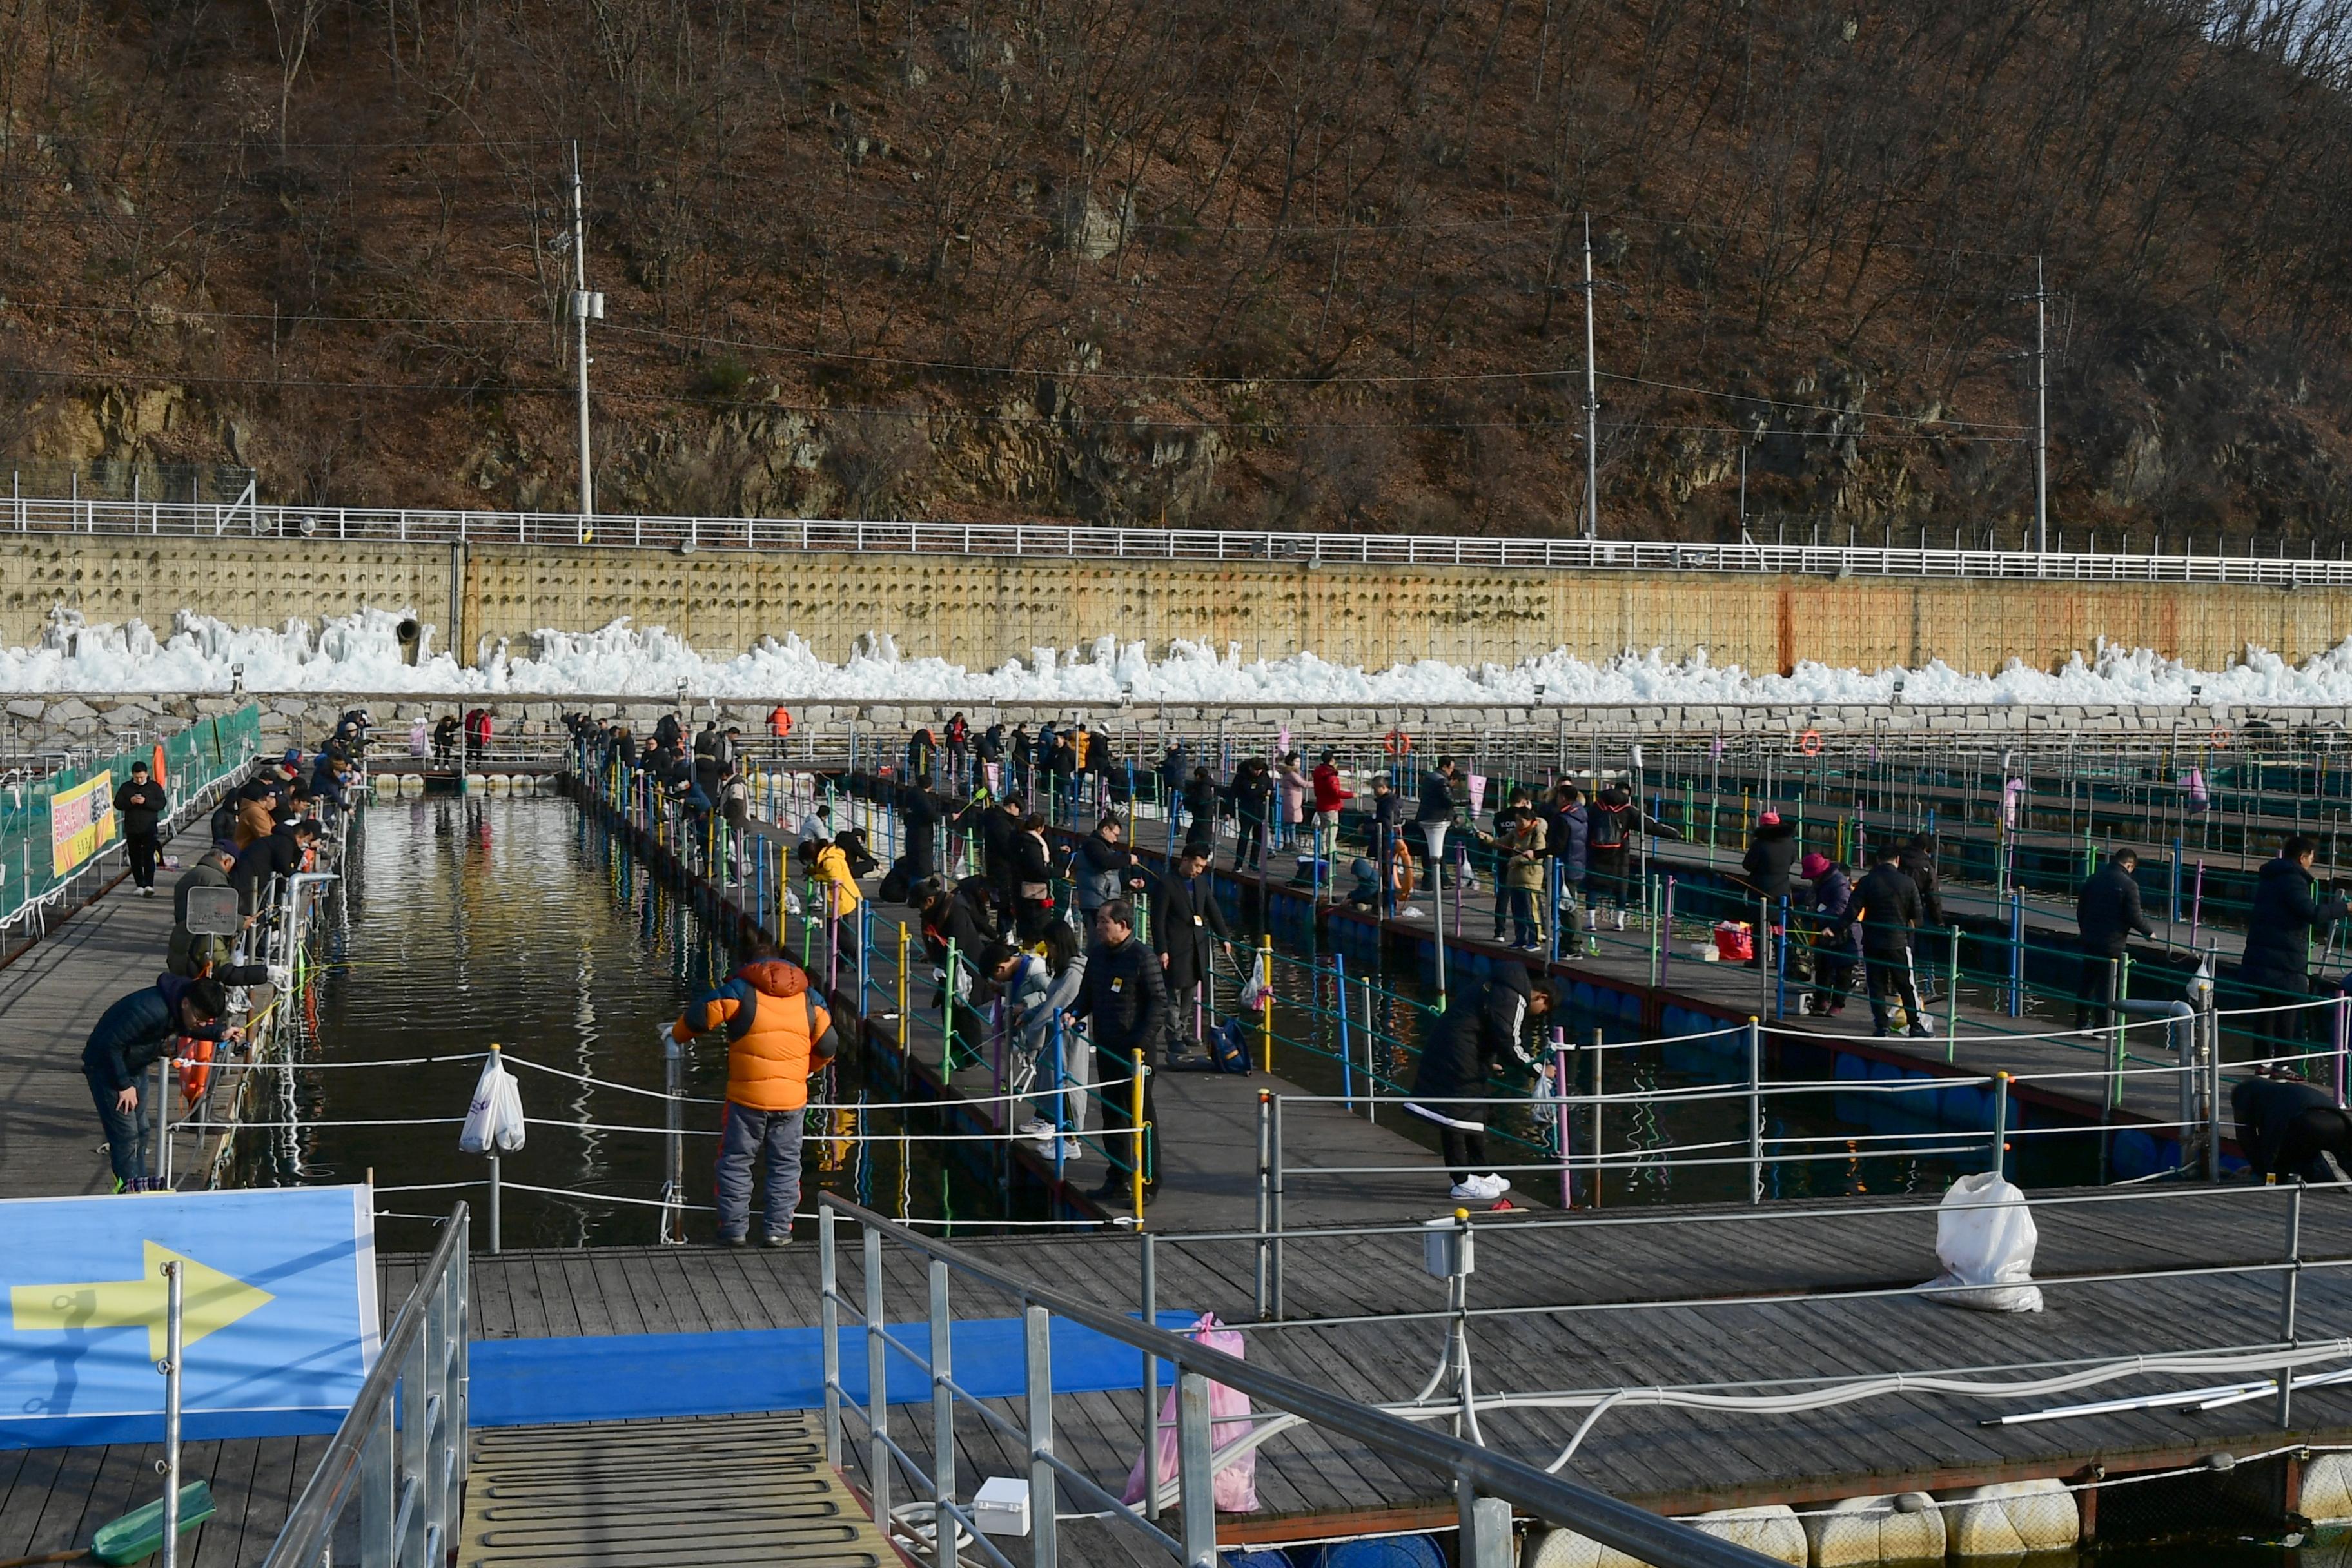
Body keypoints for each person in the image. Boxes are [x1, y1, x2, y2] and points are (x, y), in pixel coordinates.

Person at [669, 941, 839, 1245]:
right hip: (792, 1101)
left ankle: (734, 1230)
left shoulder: (741, 991)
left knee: (735, 1162)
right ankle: (778, 1231)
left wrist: (677, 1036)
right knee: (786, 1166)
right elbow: (828, 1045)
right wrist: (806, 1069)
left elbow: (698, 1017)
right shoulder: (809, 998)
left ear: (751, 966)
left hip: (746, 1101)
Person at [1404, 965, 1558, 1203]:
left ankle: (1481, 1171)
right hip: (1458, 1054)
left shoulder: (1500, 983)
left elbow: (1486, 1026)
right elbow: (1509, 1041)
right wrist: (1539, 1071)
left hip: (1460, 1050)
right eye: (1543, 1009)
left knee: (1474, 1113)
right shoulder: (1514, 997)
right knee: (1454, 1115)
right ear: (1541, 997)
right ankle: (1461, 1182)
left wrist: (1489, 1061)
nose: (1538, 1013)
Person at [83, 974, 233, 1192]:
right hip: (107, 1068)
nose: (200, 1024)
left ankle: (139, 1183)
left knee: (142, 1130)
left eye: (206, 1021)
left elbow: (189, 1027)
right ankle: (128, 1188)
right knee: (127, 1135)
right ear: (186, 1003)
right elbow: (110, 1045)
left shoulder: (178, 1007)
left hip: (134, 1063)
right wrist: (123, 1085)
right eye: (200, 1018)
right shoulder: (150, 1011)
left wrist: (220, 1033)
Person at [1070, 899, 1165, 1205]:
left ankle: (1147, 1182)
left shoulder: (1143, 957)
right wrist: (1073, 1013)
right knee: (1112, 1115)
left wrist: (1139, 1042)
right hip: (1107, 1048)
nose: (1098, 927)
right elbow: (1087, 994)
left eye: (1103, 922)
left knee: (1140, 1117)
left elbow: (1158, 1004)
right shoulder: (1097, 956)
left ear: (1123, 926)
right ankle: (1118, 1177)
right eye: (1097, 921)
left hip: (1137, 1054)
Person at [2240, 836, 2350, 1059]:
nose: (2311, 863)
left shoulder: (2271, 877)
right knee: (2288, 1010)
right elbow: (2312, 913)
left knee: (2266, 1009)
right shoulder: (2293, 880)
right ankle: (2282, 1063)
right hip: (2284, 957)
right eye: (2311, 858)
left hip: (2266, 952)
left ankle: (2264, 1063)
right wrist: (2345, 907)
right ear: (2302, 858)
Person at [990, 928, 1092, 1155]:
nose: (1049, 951)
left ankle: (1071, 1143)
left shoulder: (1073, 974)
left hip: (1066, 1041)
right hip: (1055, 1039)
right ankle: (1062, 1138)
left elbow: (1054, 1006)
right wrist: (1028, 1016)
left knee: (1067, 1086)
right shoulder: (1063, 971)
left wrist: (1032, 1039)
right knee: (1056, 1085)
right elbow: (1049, 1004)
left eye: (1050, 945)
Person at [1837, 841, 1931, 1038]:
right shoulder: (1908, 883)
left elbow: (1852, 911)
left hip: (1872, 941)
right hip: (1898, 941)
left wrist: (1835, 928)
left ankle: (1881, 1026)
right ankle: (1915, 1026)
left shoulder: (1867, 882)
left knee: (1876, 985)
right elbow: (1917, 914)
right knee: (1905, 985)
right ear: (1897, 860)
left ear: (1878, 860)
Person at [1151, 843, 1233, 1051]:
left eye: (1202, 867)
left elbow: (1212, 909)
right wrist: (1162, 949)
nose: (1198, 870)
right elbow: (1157, 920)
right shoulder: (1167, 883)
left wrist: (1224, 937)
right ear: (1185, 860)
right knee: (1173, 994)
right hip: (1175, 946)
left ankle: (1183, 1029)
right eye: (1196, 866)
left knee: (1190, 990)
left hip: (1197, 946)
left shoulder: (1202, 883)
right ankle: (1173, 1036)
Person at [2075, 848, 2155, 1034]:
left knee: (2087, 982)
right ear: (2129, 865)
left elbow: (2081, 909)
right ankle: (2102, 1027)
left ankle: (2080, 1023)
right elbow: (2134, 916)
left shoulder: (2093, 879)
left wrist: (2085, 930)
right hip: (2112, 943)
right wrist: (2148, 932)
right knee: (2107, 985)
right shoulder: (2129, 885)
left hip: (2090, 939)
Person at [2231, 1066, 2352, 1183]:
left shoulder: (2243, 1094)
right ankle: (2339, 1173)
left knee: (2286, 1163)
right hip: (2338, 1122)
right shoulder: (2281, 1092)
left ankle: (2324, 1170)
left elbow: (2246, 1136)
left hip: (2307, 1123)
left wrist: (2262, 1170)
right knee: (2312, 1151)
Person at [1800, 852, 1861, 1017]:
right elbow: (1808, 897)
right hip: (1825, 931)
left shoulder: (1839, 883)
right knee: (1822, 968)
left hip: (1844, 932)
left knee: (1843, 971)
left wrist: (1817, 916)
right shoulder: (1821, 883)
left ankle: (1837, 1005)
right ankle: (1821, 1001)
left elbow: (1841, 908)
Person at [1545, 785, 1592, 950]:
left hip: (1564, 867)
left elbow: (1557, 846)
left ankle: (1573, 945)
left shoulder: (1563, 819)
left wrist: (1537, 854)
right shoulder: (1581, 815)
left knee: (1567, 907)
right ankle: (1567, 943)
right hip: (1577, 864)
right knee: (1568, 904)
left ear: (1563, 798)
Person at [1073, 815, 1148, 919]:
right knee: (1099, 934)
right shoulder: (1093, 845)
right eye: (1115, 835)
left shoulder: (1101, 847)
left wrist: (1128, 884)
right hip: (1096, 903)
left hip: (1102, 901)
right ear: (1106, 830)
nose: (1116, 839)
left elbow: (1106, 877)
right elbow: (1104, 862)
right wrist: (1128, 859)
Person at [113, 760, 168, 896]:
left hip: (149, 828)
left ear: (146, 774)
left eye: (142, 777)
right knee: (135, 857)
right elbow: (118, 803)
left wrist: (146, 802)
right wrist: (130, 801)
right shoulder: (126, 787)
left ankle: (149, 885)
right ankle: (139, 885)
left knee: (149, 856)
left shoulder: (154, 787)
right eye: (136, 777)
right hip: (132, 828)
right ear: (132, 775)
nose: (139, 780)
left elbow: (161, 804)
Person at [1309, 750, 1353, 874]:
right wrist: (1352, 794)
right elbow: (1336, 792)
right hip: (1331, 806)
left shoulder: (1318, 773)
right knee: (1332, 832)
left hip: (1321, 805)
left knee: (1323, 831)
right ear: (1332, 761)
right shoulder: (1331, 776)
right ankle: (1331, 854)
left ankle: (1322, 852)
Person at [1230, 758, 1273, 871]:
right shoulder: (1241, 777)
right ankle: (1238, 863)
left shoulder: (1265, 776)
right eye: (1256, 770)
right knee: (1244, 837)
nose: (1258, 773)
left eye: (1260, 770)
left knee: (1258, 839)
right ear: (1250, 768)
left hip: (1260, 811)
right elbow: (1232, 793)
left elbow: (1271, 787)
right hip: (1246, 810)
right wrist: (1229, 811)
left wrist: (1269, 793)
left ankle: (1253, 864)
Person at [1275, 752, 1309, 850]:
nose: (1299, 764)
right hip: (1293, 799)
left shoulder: (1288, 773)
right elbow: (1303, 784)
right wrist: (1317, 783)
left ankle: (1287, 842)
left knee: (1288, 822)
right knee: (1292, 822)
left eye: (1299, 762)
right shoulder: (1292, 774)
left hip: (1290, 798)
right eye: (1297, 761)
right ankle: (1292, 843)